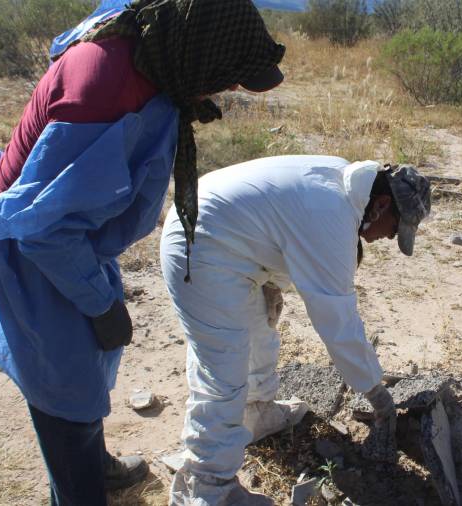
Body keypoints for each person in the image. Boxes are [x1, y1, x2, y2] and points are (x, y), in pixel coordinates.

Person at [0, 1, 285, 504]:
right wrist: (100, 302)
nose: (229, 88)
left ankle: (93, 466)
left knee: (83, 371)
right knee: (64, 389)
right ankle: (80, 491)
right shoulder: (105, 91)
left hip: (71, 238)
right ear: (200, 45)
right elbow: (43, 229)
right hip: (35, 250)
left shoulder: (149, 45)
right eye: (230, 75)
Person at [160, 156, 432, 505]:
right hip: (198, 247)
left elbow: (278, 222)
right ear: (381, 205)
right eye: (394, 230)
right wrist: (375, 391)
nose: (386, 239)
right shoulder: (332, 215)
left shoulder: (339, 181)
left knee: (260, 329)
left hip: (221, 238)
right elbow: (339, 325)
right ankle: (207, 486)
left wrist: (271, 281)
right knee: (222, 371)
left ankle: (255, 411)